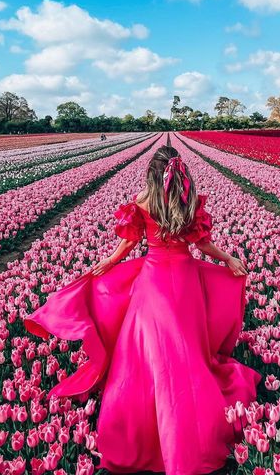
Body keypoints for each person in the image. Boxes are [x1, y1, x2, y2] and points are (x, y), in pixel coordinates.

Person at [23, 145, 261, 475]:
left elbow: (130, 241)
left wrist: (108, 261)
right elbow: (202, 245)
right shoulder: (187, 200)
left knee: (146, 352)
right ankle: (190, 432)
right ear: (179, 171)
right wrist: (228, 259)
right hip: (186, 280)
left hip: (153, 281)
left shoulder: (142, 201)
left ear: (151, 173)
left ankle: (144, 431)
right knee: (186, 350)